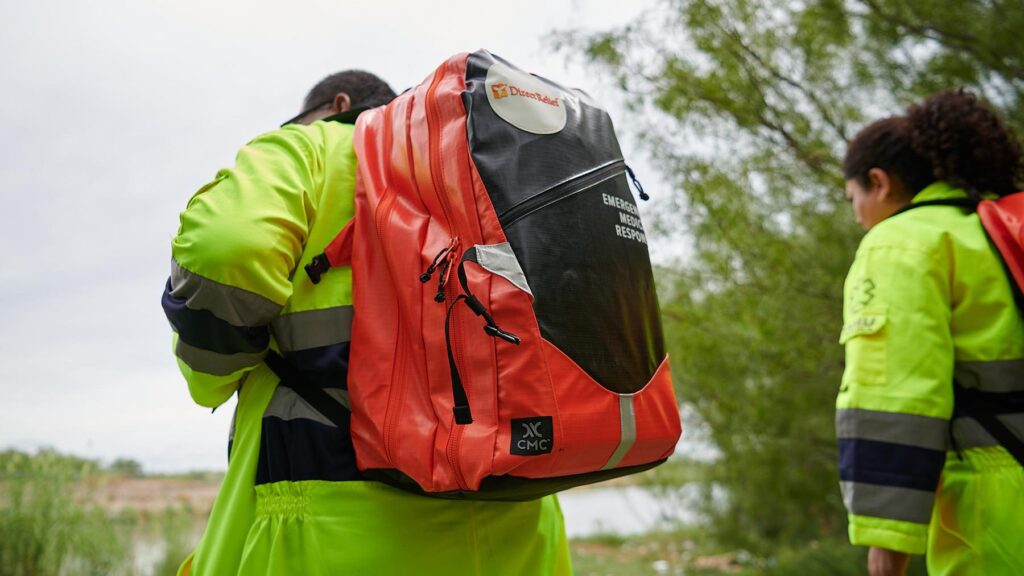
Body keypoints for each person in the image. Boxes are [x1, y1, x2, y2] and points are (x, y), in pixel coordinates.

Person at [161, 69, 572, 576]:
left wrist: (209, 373)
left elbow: (225, 249)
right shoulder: (484, 172)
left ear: (338, 106)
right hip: (524, 522)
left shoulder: (316, 147)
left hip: (334, 526)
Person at [837, 89, 1024, 575]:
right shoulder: (996, 230)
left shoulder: (902, 245)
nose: (856, 216)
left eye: (854, 198)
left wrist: (886, 542)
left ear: (879, 182)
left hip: (995, 518)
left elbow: (894, 395)